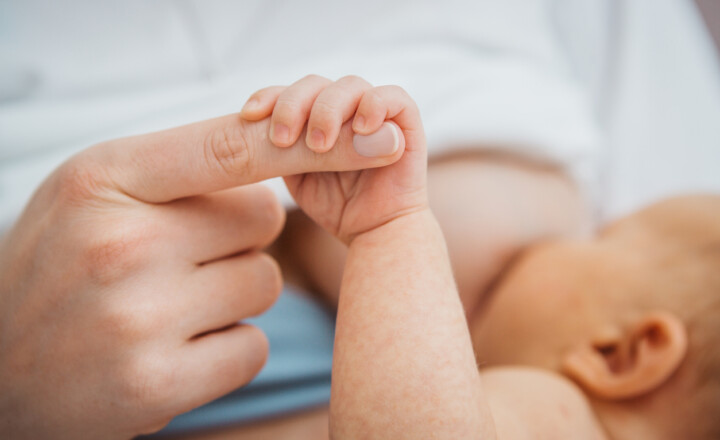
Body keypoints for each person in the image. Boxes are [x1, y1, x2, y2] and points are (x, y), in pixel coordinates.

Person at [234, 76, 720, 439]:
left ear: (618, 355)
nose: (571, 234)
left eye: (597, 238)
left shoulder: (565, 416)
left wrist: (388, 230)